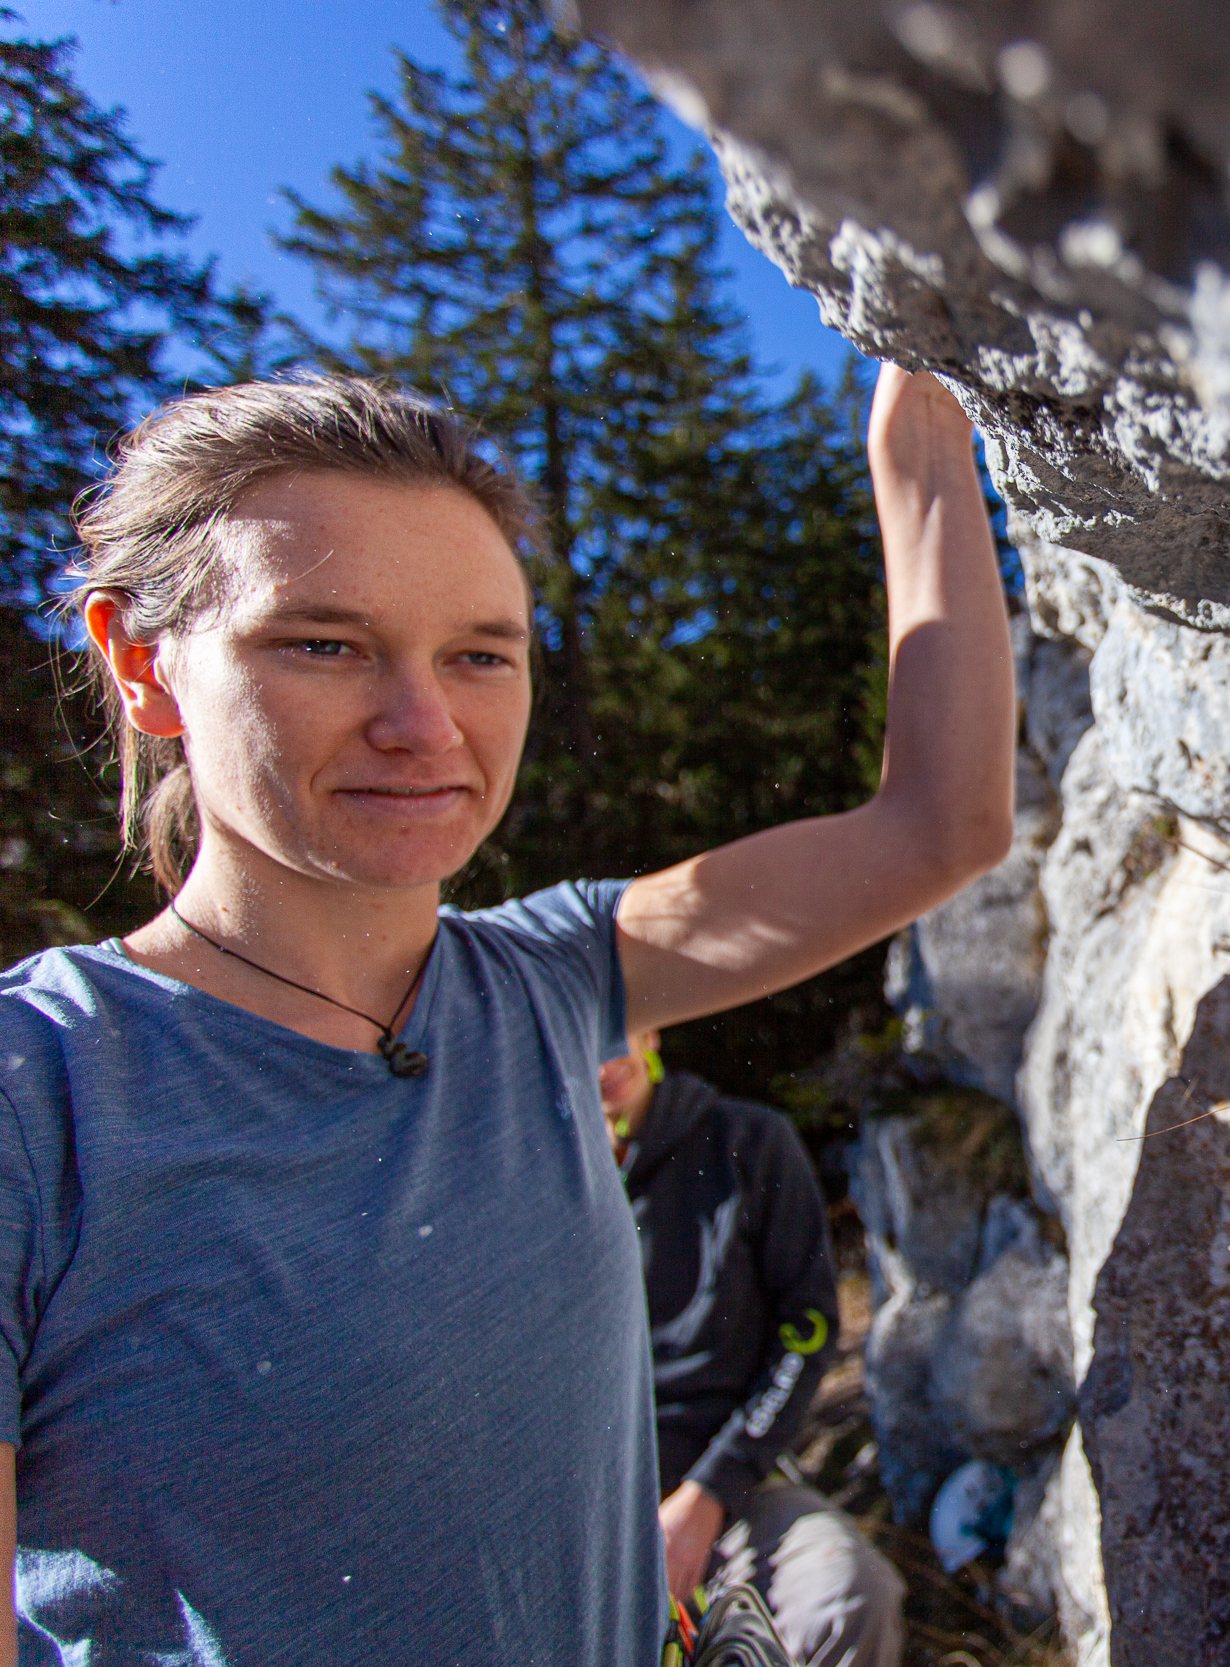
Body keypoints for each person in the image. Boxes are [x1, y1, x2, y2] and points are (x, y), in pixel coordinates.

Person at [0, 365, 1013, 1663]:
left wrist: (922, 419)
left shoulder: (550, 976)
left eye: (481, 652)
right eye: (325, 642)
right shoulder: (41, 1092)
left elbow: (941, 825)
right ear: (141, 663)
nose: (424, 723)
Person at [600, 1029, 903, 1666]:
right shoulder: (535, 1182)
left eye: (611, 1030)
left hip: (725, 1488)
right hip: (586, 1512)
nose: (600, 1060)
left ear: (650, 1030)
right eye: (573, 1038)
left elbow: (808, 1329)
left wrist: (710, 1492)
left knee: (848, 1596)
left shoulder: (748, 1144)